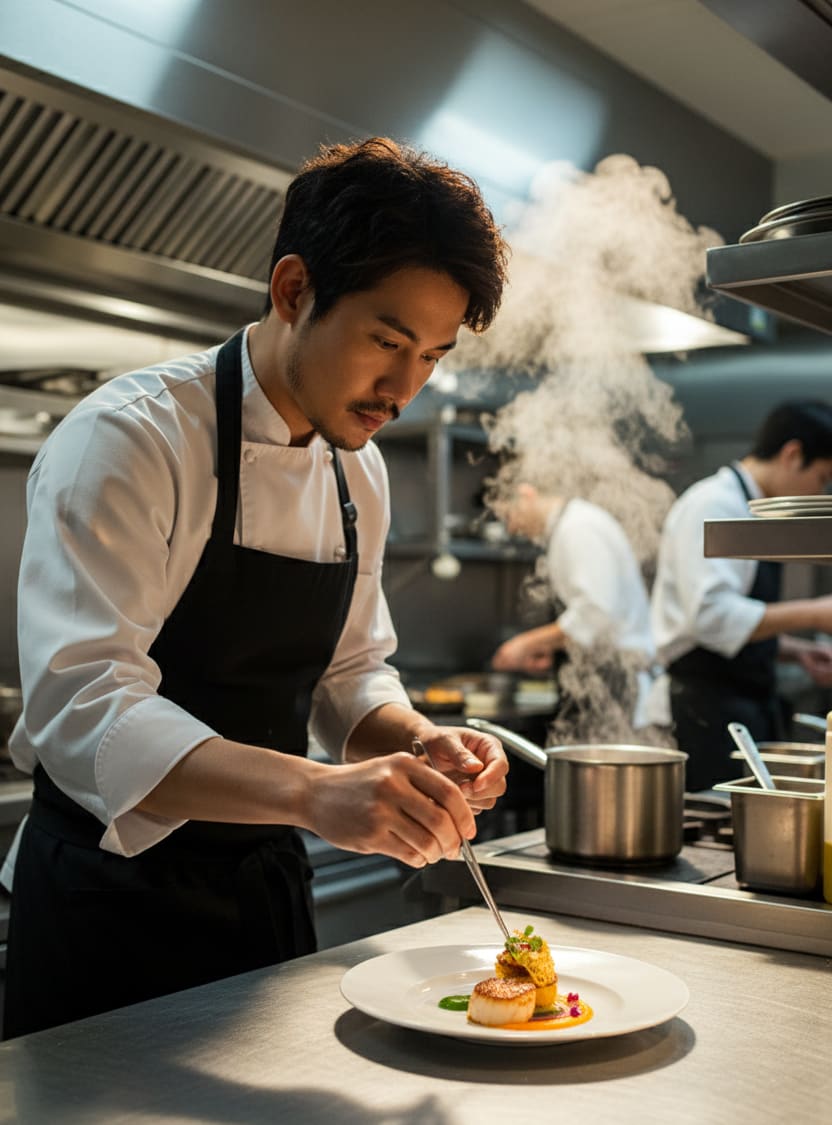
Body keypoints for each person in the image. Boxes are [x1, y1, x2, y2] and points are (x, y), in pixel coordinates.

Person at [2, 137, 511, 1039]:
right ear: (292, 289)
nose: (403, 388)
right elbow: (85, 705)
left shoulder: (359, 469)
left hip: (263, 897)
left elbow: (350, 670)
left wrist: (417, 739)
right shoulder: (132, 438)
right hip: (106, 907)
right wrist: (315, 791)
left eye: (431, 357)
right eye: (387, 342)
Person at [650, 399, 832, 791]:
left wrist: (796, 650)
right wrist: (816, 613)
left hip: (737, 706)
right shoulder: (715, 503)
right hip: (703, 711)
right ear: (792, 454)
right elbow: (710, 617)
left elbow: (737, 623)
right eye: (821, 478)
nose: (819, 490)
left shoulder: (752, 508)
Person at [490, 482, 658, 738]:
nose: (511, 529)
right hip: (603, 674)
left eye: (507, 517)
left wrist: (525, 644)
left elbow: (596, 612)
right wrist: (551, 648)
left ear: (525, 495)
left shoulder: (577, 528)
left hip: (615, 677)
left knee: (603, 761)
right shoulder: (571, 526)